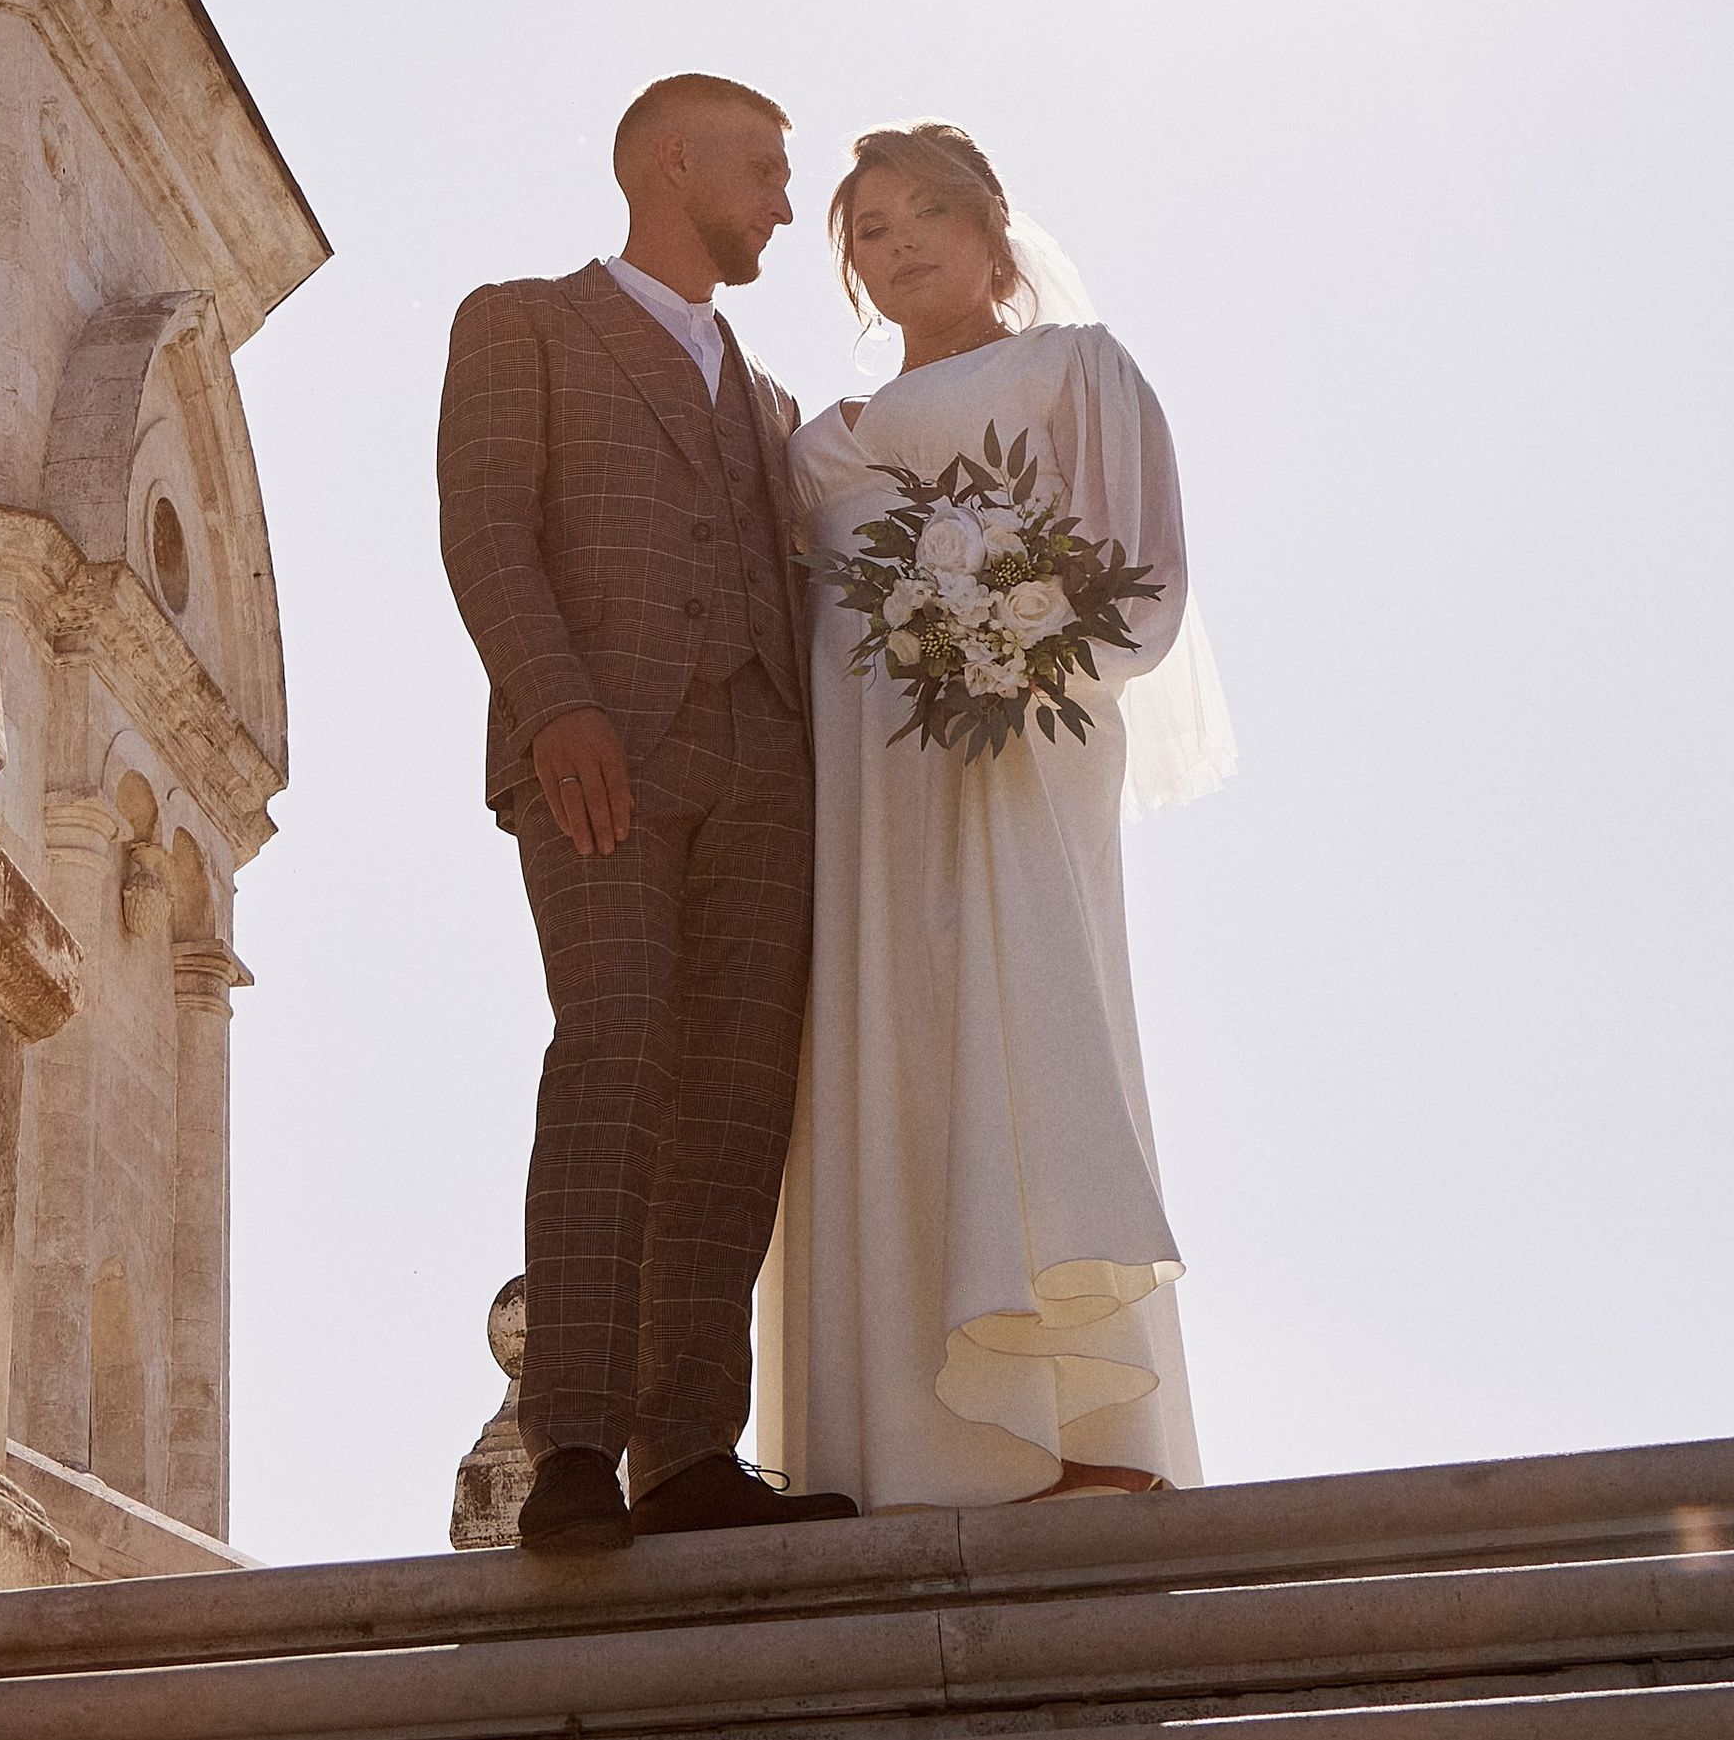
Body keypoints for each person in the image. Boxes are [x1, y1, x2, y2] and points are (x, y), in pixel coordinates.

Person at [759, 122, 1232, 1510]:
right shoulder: (817, 447)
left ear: (988, 230)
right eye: (867, 230)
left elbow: (1140, 577)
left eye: (920, 219)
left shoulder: (1076, 370)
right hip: (862, 800)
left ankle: (1076, 1432)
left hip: (1016, 760)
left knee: (1018, 1028)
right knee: (878, 1044)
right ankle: (905, 1446)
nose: (894, 248)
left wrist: (1011, 651)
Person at [438, 75, 860, 1554]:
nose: (787, 208)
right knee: (615, 1050)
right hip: (599, 751)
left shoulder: (769, 398)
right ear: (673, 164)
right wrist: (555, 704)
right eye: (765, 172)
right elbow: (485, 526)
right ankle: (572, 1444)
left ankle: (690, 1449)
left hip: (769, 770)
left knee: (740, 1099)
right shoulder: (522, 323)